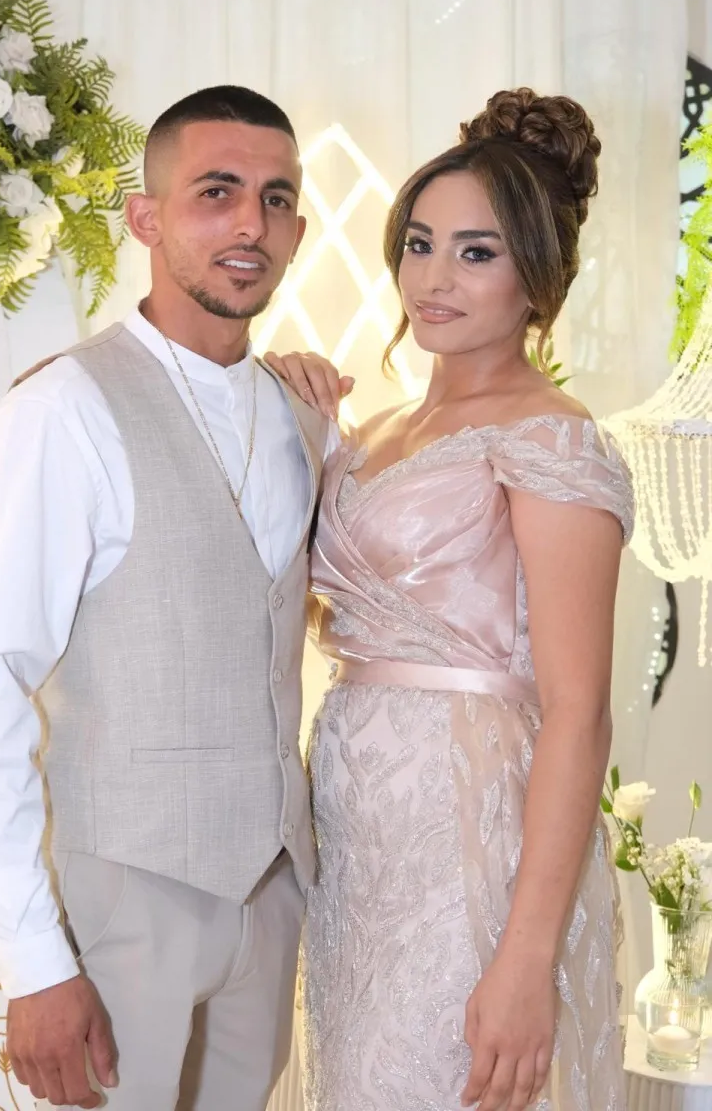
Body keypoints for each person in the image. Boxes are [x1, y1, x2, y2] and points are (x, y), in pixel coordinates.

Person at [0, 85, 345, 1111]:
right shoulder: (62, 408)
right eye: (216, 192)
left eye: (277, 199)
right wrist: (32, 959)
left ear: (297, 230)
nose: (251, 225)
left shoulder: (303, 416)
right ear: (147, 218)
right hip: (124, 891)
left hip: (271, 895)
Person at [266, 88, 632, 1111]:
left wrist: (525, 959)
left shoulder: (552, 437)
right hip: (358, 839)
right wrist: (292, 418)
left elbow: (578, 712)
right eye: (420, 244)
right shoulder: (374, 431)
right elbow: (307, 606)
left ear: (536, 276)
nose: (432, 278)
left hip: (471, 833)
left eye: (476, 253)